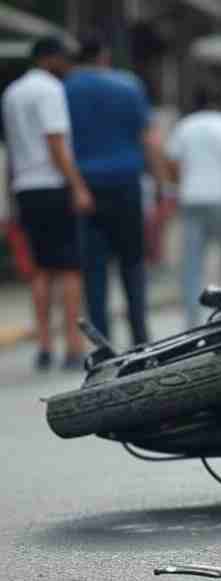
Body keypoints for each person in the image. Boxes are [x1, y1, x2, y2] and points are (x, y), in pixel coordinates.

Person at [64, 36, 163, 345]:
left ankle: (103, 341)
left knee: (94, 269)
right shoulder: (129, 85)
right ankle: (140, 336)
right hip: (126, 185)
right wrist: (161, 181)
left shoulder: (65, 89)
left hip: (85, 187)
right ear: (104, 56)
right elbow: (148, 138)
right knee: (132, 263)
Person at [1, 37, 90, 370]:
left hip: (25, 187)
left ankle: (44, 345)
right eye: (65, 59)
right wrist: (78, 186)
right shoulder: (50, 90)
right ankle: (72, 345)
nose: (68, 66)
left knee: (40, 269)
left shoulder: (12, 93)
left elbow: (11, 147)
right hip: (52, 186)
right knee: (68, 269)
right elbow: (56, 142)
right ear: (49, 59)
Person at [165, 87, 221, 328]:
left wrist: (182, 183)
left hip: (192, 198)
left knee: (192, 261)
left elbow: (172, 162)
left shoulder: (184, 126)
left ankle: (192, 317)